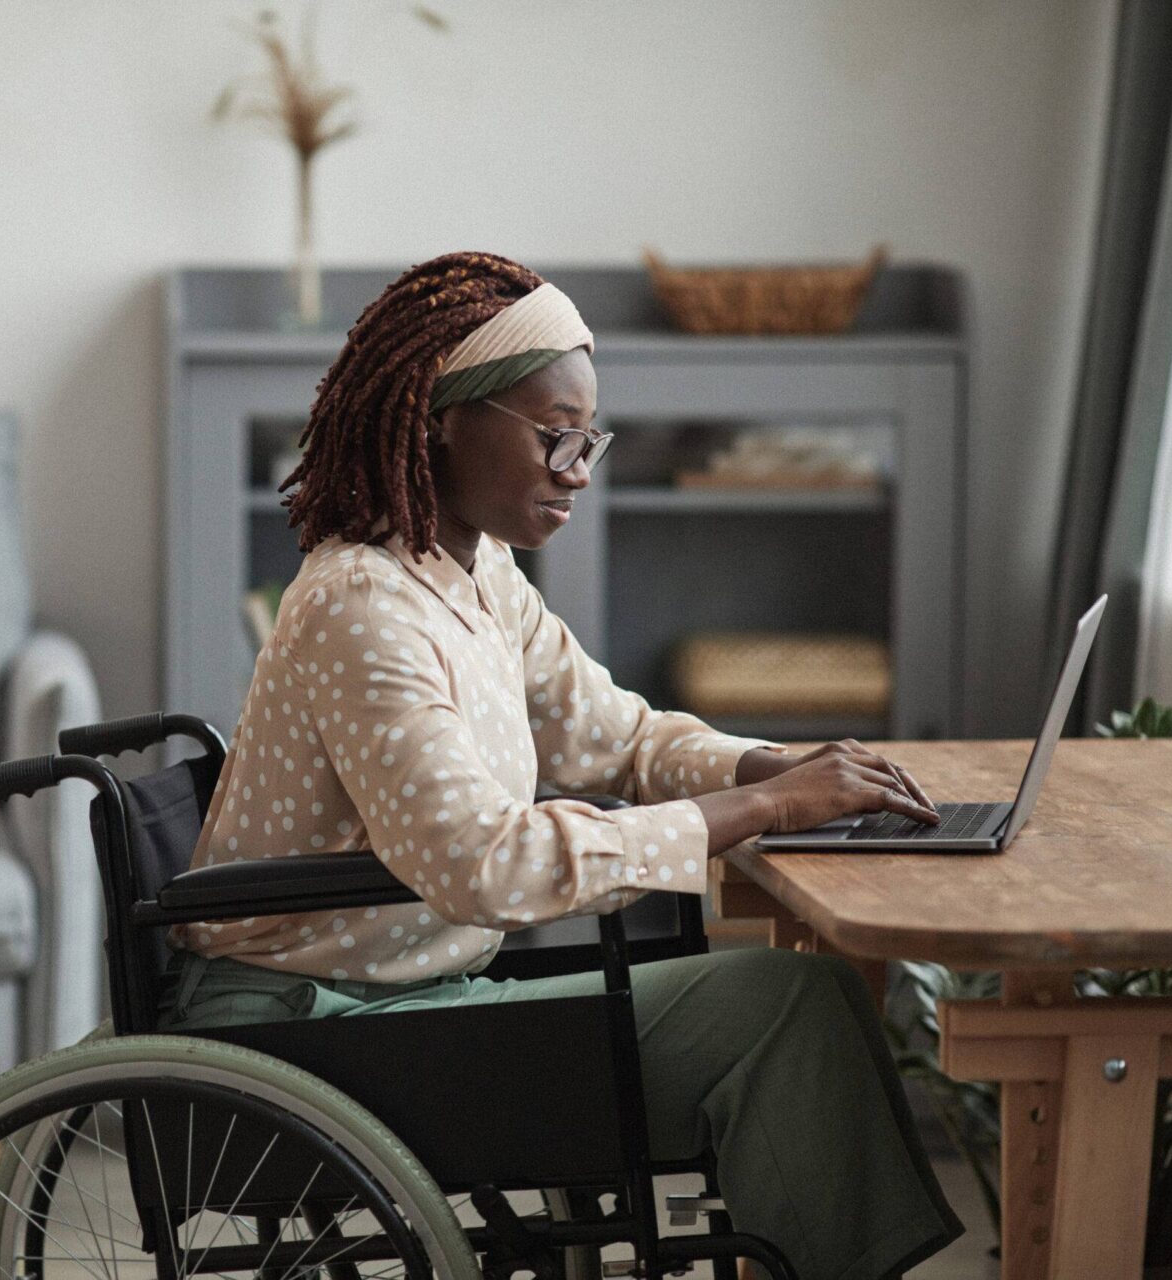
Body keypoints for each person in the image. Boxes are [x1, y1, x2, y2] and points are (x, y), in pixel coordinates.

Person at [157, 251, 965, 1279]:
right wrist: (756, 809)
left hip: (411, 997)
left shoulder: (477, 569)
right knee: (786, 1009)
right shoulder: (363, 604)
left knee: (799, 999)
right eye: (555, 436)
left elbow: (615, 735)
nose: (579, 467)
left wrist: (780, 764)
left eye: (590, 439)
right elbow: (483, 865)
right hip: (317, 1026)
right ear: (440, 415)